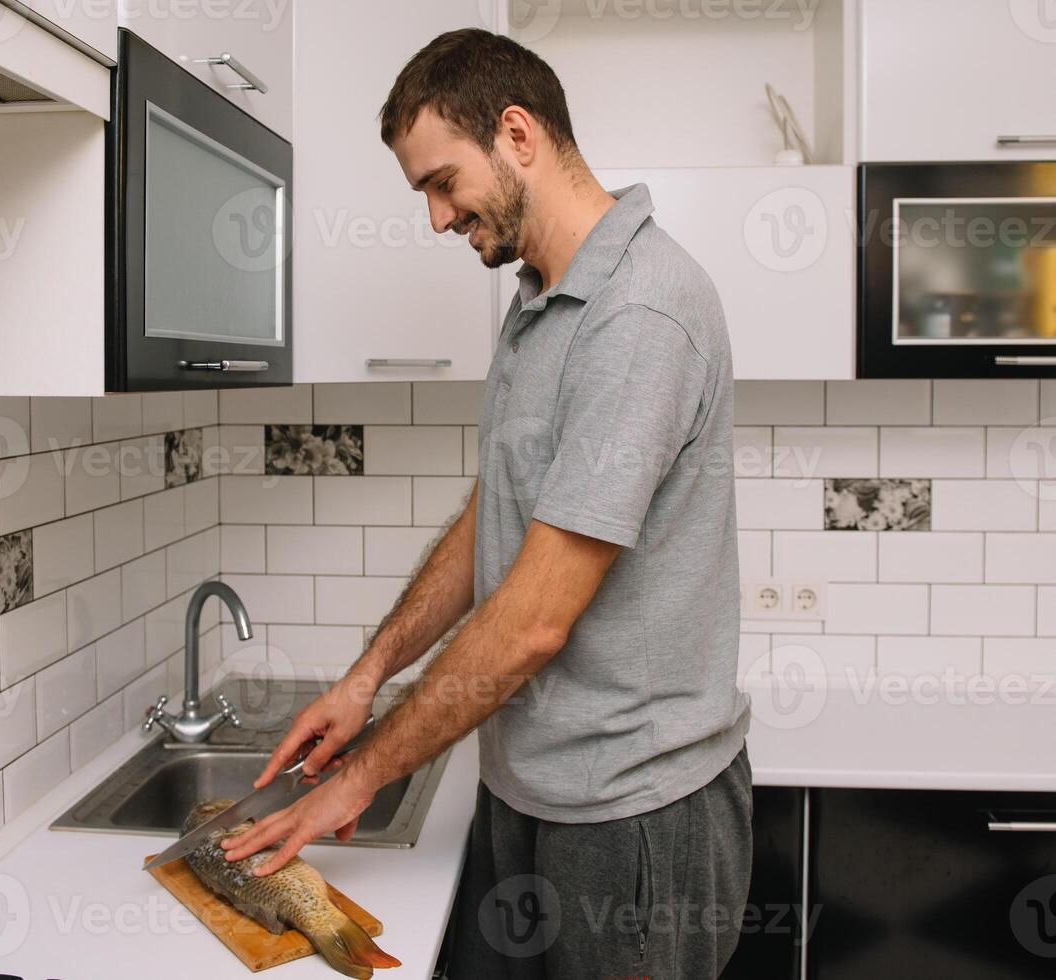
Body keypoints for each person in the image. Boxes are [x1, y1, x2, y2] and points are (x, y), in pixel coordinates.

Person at [220, 28, 753, 978]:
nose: (434, 218)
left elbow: (535, 621)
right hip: (532, 786)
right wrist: (365, 678)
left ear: (517, 134)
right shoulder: (540, 295)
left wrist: (361, 780)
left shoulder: (640, 314)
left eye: (440, 182)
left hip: (631, 816)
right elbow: (496, 515)